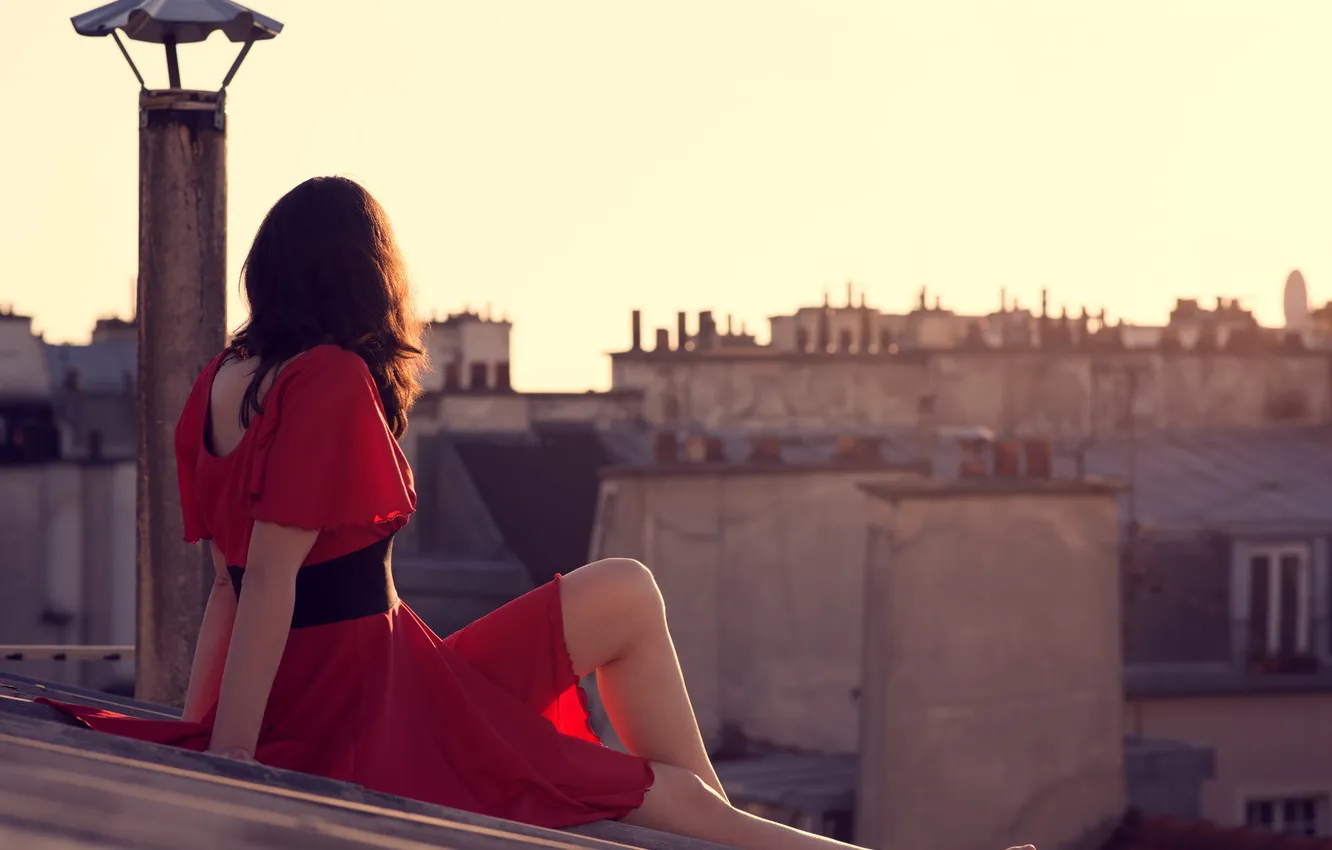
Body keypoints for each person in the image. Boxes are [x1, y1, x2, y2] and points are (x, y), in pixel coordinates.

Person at [38, 177, 1033, 850]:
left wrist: (207, 726)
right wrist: (231, 772)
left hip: (379, 670)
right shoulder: (328, 377)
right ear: (358, 271)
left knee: (625, 592)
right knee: (663, 793)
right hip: (364, 702)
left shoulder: (224, 377)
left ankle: (720, 833)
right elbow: (272, 587)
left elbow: (230, 584)